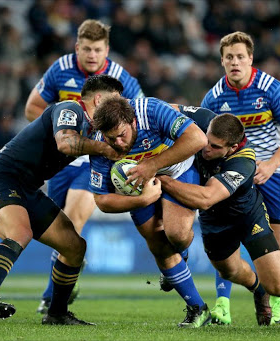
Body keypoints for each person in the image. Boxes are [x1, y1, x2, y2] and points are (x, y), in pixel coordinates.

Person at [0, 75, 127, 325]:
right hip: (0, 178)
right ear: (99, 99)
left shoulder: (94, 130)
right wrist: (107, 150)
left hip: (27, 188)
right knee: (20, 232)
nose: (118, 107)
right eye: (115, 100)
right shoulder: (71, 109)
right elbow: (65, 143)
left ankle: (57, 313)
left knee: (75, 247)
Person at [158, 114, 280, 326]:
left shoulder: (244, 161)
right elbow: (169, 109)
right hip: (215, 221)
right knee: (229, 271)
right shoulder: (202, 120)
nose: (205, 148)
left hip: (247, 218)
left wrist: (161, 178)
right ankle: (258, 288)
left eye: (215, 146)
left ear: (233, 147)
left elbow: (206, 198)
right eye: (206, 139)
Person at [24, 19, 144, 314]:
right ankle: (69, 271)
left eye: (98, 50)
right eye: (87, 49)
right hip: (63, 159)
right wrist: (61, 132)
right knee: (55, 228)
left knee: (74, 220)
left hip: (96, 159)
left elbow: (138, 120)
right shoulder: (61, 68)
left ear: (107, 50)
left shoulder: (120, 78)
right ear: (77, 47)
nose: (92, 55)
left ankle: (52, 296)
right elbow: (32, 108)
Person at [200, 31, 280, 324]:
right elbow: (205, 140)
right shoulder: (214, 97)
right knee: (225, 241)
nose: (235, 62)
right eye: (229, 57)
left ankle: (273, 295)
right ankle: (222, 303)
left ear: (250, 59)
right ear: (222, 61)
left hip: (276, 172)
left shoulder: (272, 89)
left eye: (240, 57)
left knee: (277, 245)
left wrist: (271, 164)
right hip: (234, 173)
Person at [89, 90, 212, 328]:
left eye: (121, 135)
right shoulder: (99, 141)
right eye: (110, 138)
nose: (118, 144)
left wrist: (152, 165)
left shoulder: (152, 111)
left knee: (177, 235)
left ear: (132, 121)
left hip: (179, 170)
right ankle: (198, 309)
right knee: (158, 245)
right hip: (140, 188)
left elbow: (198, 139)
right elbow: (101, 201)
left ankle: (181, 254)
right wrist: (142, 200)